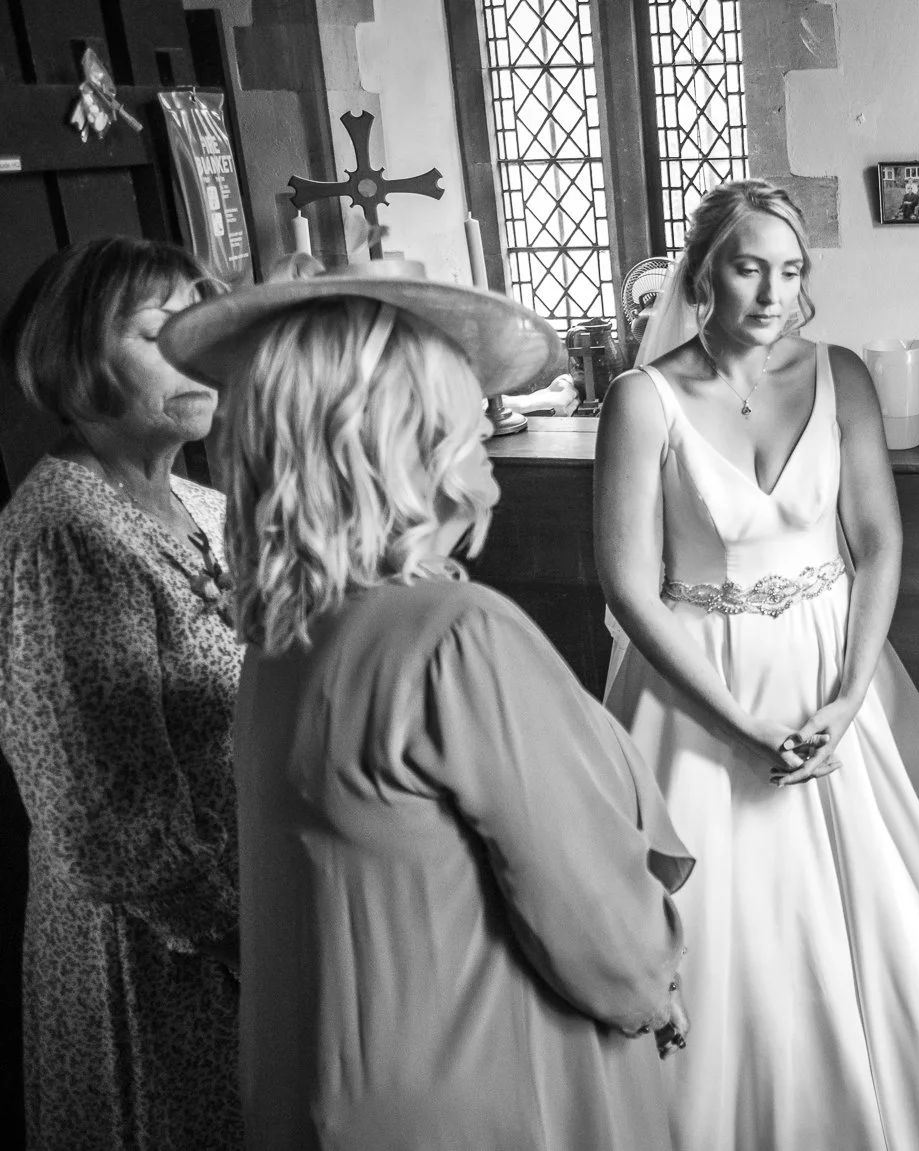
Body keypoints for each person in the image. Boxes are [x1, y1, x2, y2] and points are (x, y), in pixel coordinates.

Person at [157, 261, 694, 1151]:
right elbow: (601, 926)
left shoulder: (284, 640)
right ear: (399, 435)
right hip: (482, 1089)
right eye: (459, 396)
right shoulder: (455, 635)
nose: (486, 415)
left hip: (335, 1094)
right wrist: (654, 980)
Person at [598, 178, 919, 1151]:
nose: (773, 292)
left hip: (836, 675)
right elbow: (630, 588)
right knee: (721, 934)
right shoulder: (641, 401)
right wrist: (736, 726)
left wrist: (846, 699)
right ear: (701, 271)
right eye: (748, 267)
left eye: (790, 269)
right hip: (696, 696)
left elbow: (877, 542)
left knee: (889, 920)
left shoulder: (840, 375)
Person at [0, 237, 241, 1150]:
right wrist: (235, 934)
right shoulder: (66, 530)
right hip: (157, 945)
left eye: (204, 323)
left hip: (243, 903)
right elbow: (99, 808)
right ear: (75, 359)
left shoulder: (206, 507)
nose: (196, 348)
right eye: (158, 331)